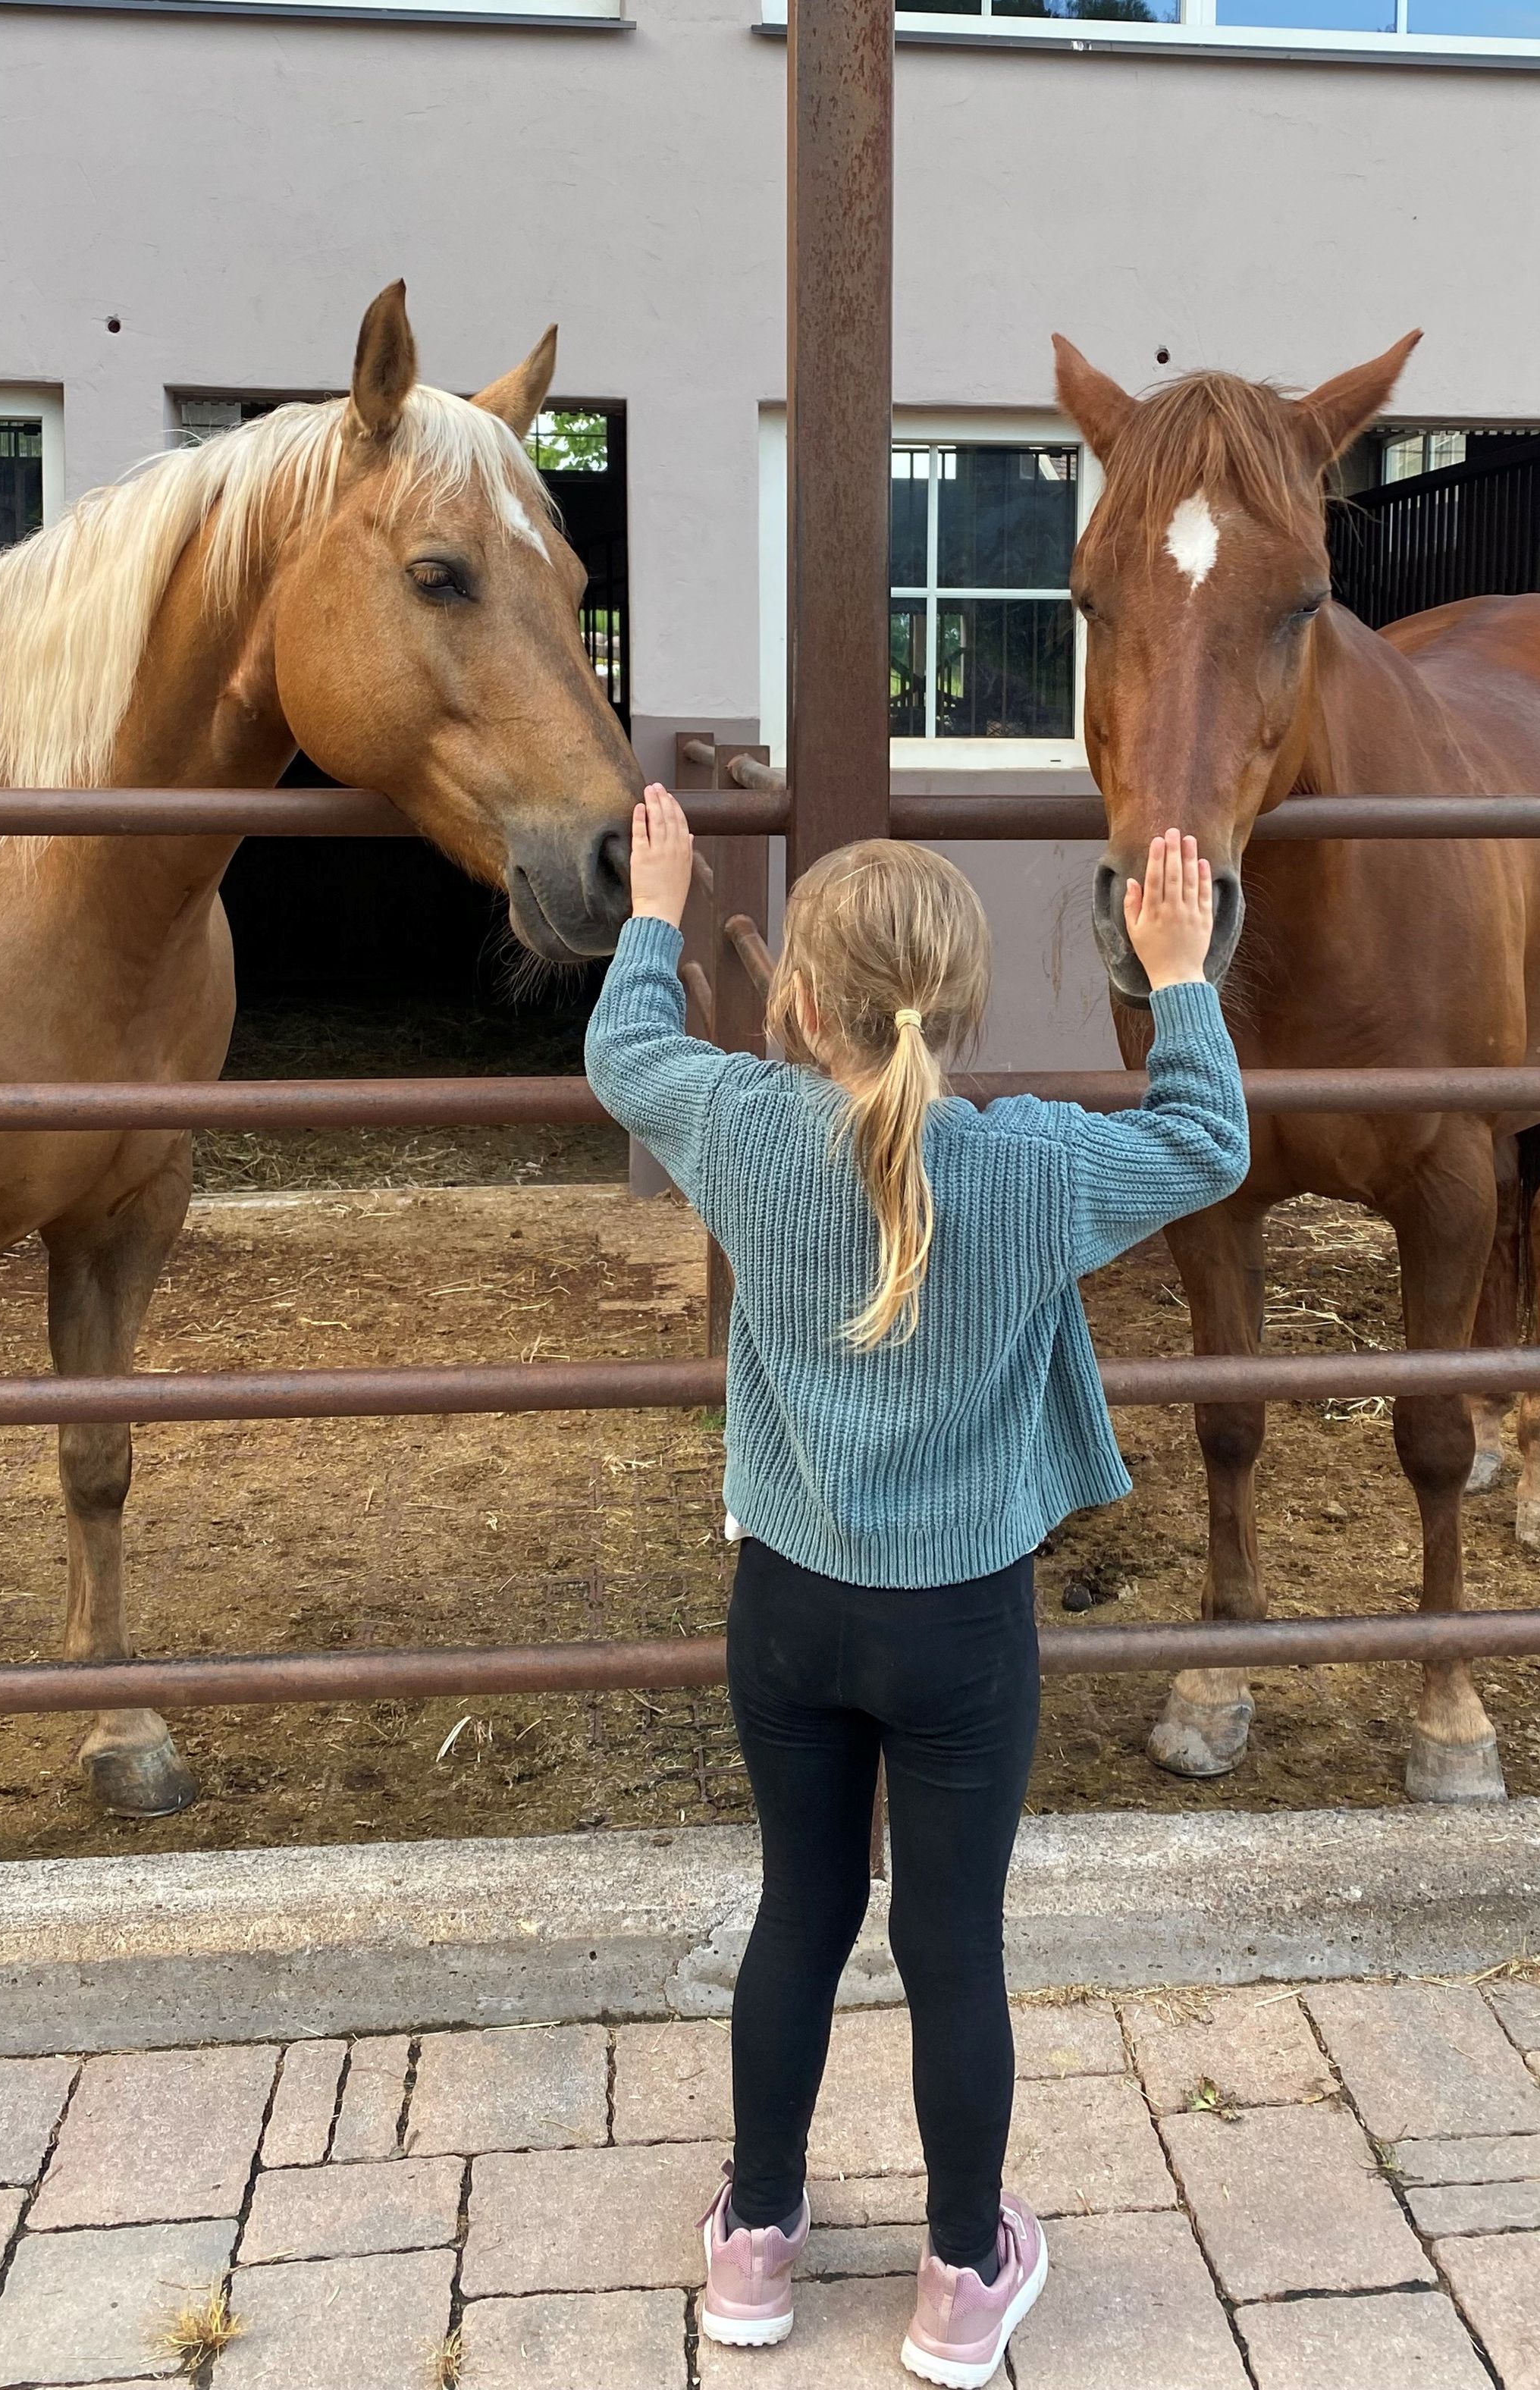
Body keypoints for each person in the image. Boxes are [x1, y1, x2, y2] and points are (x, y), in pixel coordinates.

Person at [585, 789, 1247, 2388]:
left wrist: (656, 915)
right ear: (966, 1008)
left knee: (801, 1909)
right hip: (962, 1622)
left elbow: (623, 1056)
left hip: (788, 1608)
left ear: (796, 1004)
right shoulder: (1031, 1167)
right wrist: (1181, 974)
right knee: (954, 1937)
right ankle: (962, 2274)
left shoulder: (742, 1123)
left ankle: (753, 2243)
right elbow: (1208, 1140)